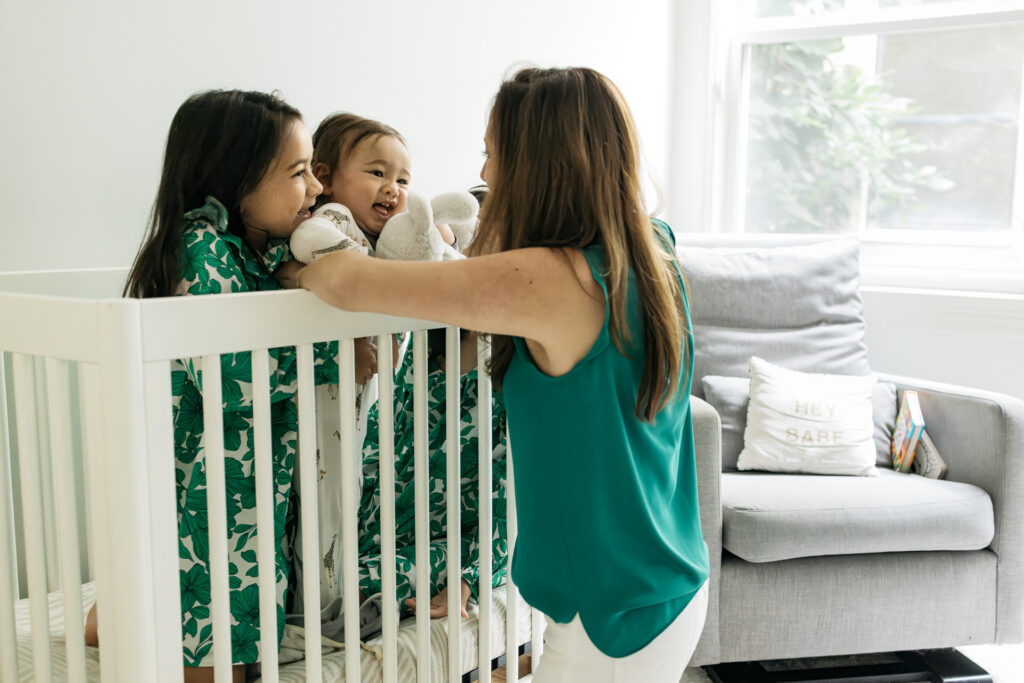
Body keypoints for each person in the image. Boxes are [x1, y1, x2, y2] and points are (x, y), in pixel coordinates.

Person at [290, 66, 710, 683]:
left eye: (494, 154)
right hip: (663, 583)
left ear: (541, 165)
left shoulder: (549, 280)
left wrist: (306, 249)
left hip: (611, 621)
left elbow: (347, 282)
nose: (485, 174)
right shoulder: (652, 247)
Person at [110, 89, 363, 683]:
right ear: (238, 180)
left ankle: (118, 615)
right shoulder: (202, 249)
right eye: (299, 172)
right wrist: (333, 351)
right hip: (208, 488)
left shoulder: (255, 252)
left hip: (251, 486)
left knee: (247, 608)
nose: (318, 188)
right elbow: (230, 379)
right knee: (215, 622)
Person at [301, 114, 506, 621]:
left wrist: (446, 245)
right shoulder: (331, 238)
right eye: (376, 173)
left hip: (439, 510)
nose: (393, 189)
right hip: (351, 465)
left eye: (403, 181)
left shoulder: (489, 383)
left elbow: (501, 521)